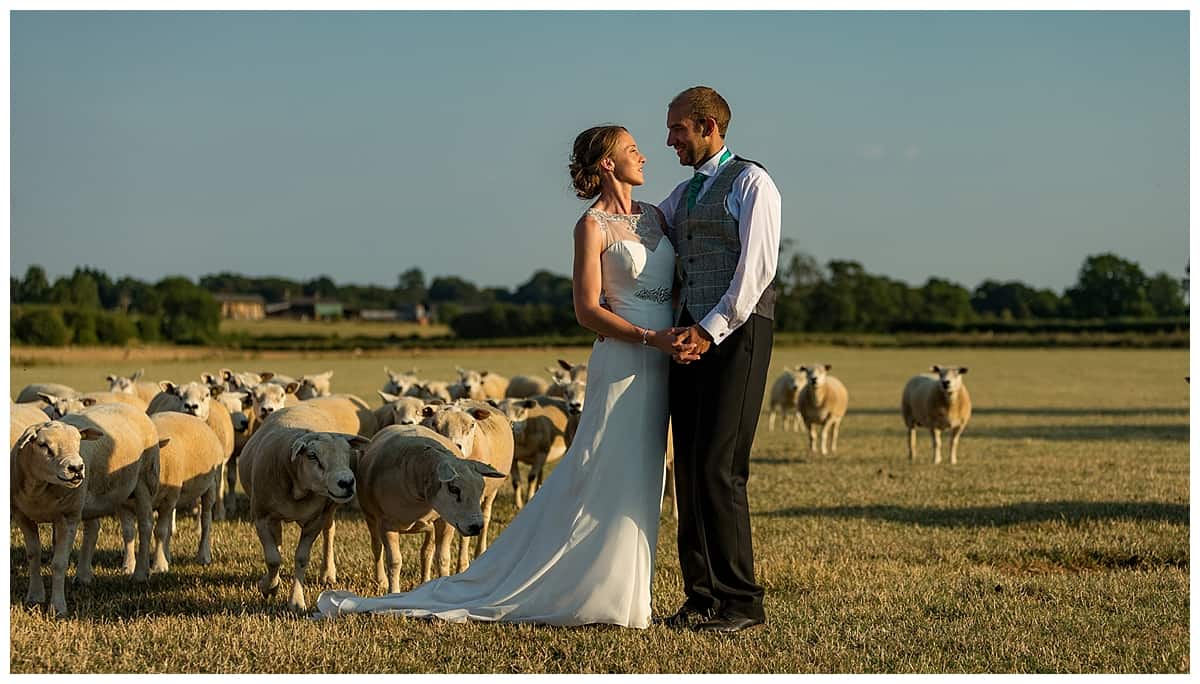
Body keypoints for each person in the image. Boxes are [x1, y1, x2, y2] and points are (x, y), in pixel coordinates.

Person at [313, 125, 689, 628]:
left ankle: (627, 591)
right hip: (624, 360)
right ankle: (590, 590)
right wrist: (650, 339)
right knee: (603, 470)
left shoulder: (660, 216)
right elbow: (586, 310)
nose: (642, 155)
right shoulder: (591, 226)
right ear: (606, 163)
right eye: (630, 149)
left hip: (664, 362)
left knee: (642, 477)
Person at [656, 86, 782, 633]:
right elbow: (641, 224)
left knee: (720, 469)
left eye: (677, 129)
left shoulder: (753, 182)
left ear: (708, 126)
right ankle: (701, 597)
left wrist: (709, 331)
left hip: (739, 333)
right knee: (687, 469)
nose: (669, 140)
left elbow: (756, 271)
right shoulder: (681, 194)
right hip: (688, 337)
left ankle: (742, 603)